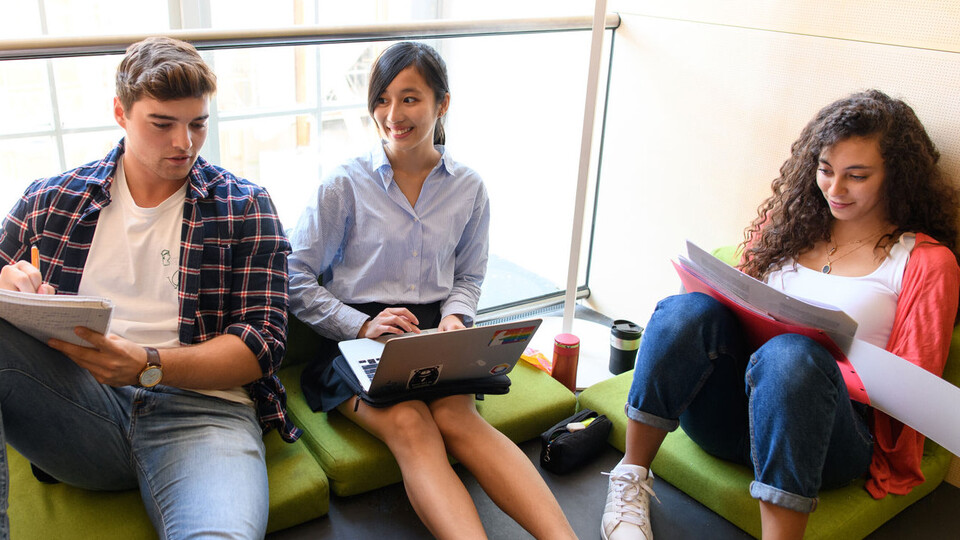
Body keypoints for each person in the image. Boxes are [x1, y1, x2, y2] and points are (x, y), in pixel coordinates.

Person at [600, 89, 960, 540]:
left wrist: (820, 354)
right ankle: (630, 478)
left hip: (825, 441)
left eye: (857, 176)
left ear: (897, 177)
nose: (835, 189)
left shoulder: (925, 262)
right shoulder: (788, 224)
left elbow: (915, 391)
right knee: (686, 310)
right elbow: (725, 313)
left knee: (792, 355)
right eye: (825, 171)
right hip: (730, 417)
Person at [0, 37, 298, 539]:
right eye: (163, 124)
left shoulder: (243, 206)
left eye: (198, 123)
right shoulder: (54, 199)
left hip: (206, 414)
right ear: (121, 112)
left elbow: (263, 343)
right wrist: (7, 278)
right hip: (82, 408)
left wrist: (147, 364)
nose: (184, 141)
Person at [288, 41, 576, 540]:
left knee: (460, 423)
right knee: (413, 430)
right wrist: (360, 324)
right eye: (382, 99)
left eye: (410, 98)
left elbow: (468, 276)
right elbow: (293, 277)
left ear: (443, 103)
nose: (391, 114)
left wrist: (457, 319)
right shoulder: (343, 185)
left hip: (436, 336)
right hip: (359, 341)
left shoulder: (469, 187)